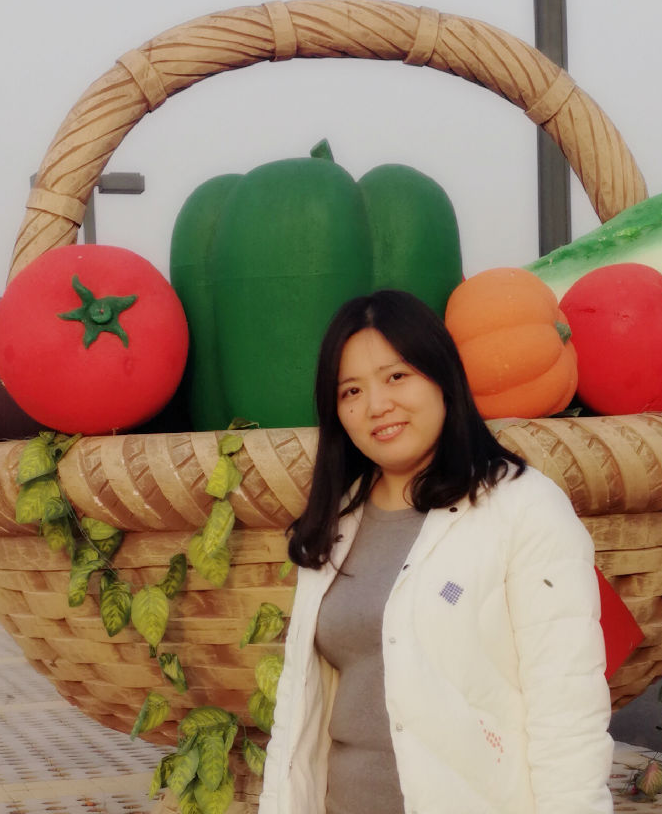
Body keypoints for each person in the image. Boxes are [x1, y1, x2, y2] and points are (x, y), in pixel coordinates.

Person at [258, 290, 613, 814]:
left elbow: (567, 709)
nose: (377, 405)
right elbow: (297, 711)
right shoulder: (337, 524)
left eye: (396, 376)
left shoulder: (524, 508)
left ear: (442, 377)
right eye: (351, 390)